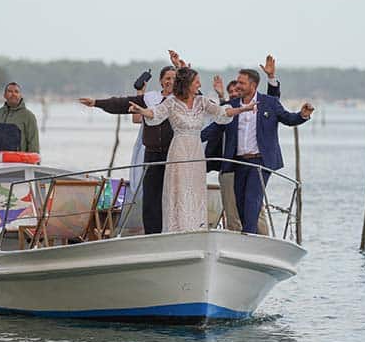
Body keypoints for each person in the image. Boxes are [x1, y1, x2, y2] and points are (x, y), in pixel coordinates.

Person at [129, 67, 255, 233]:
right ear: (187, 84)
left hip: (196, 152)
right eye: (196, 82)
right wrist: (141, 110)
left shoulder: (202, 102)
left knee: (195, 189)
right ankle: (176, 227)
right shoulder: (171, 102)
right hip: (178, 151)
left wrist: (244, 109)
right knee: (179, 189)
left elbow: (223, 112)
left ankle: (195, 227)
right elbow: (155, 113)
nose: (199, 85)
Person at [212, 68, 315, 234]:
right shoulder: (232, 105)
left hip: (260, 161)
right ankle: (249, 235)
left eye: (241, 83)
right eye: (237, 82)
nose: (237, 86)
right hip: (238, 162)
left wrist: (302, 115)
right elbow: (214, 126)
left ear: (252, 85)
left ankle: (249, 237)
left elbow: (288, 118)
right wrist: (191, 137)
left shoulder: (269, 103)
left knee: (252, 201)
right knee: (240, 203)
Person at [79, 66, 176, 234]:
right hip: (152, 154)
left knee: (171, 195)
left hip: (174, 154)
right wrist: (97, 103)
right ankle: (152, 235)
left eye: (174, 78)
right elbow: (123, 104)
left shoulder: (182, 99)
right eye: (167, 78)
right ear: (161, 81)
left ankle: (173, 231)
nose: (170, 81)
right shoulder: (150, 98)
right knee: (150, 198)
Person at [204, 56, 281, 233]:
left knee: (254, 206)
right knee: (234, 210)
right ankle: (239, 238)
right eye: (231, 91)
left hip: (253, 163)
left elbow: (272, 102)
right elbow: (219, 118)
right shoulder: (228, 108)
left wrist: (271, 78)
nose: (235, 92)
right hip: (229, 165)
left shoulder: (261, 104)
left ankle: (259, 239)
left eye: (238, 87)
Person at [0, 82, 40, 153]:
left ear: (20, 95)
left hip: (18, 159)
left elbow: (33, 144)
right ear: (4, 95)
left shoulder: (29, 116)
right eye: (10, 91)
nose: (13, 94)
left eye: (16, 92)